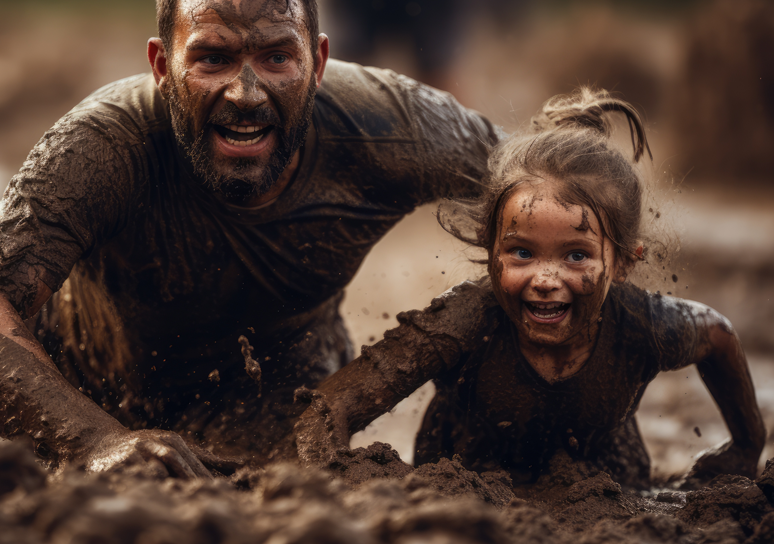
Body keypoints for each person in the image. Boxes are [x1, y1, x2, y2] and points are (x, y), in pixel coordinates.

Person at [0, 0, 503, 479]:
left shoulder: (388, 126)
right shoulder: (104, 144)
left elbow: (555, 185)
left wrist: (385, 377)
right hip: (92, 391)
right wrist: (92, 442)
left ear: (316, 64)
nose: (246, 94)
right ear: (163, 67)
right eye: (213, 59)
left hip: (281, 403)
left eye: (276, 58)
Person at [295, 89, 765, 488]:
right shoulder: (464, 321)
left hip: (607, 483)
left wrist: (745, 446)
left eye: (576, 255)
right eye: (521, 253)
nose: (544, 279)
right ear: (491, 247)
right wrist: (330, 490)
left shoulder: (644, 325)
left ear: (622, 262)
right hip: (464, 483)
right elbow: (329, 409)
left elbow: (718, 335)